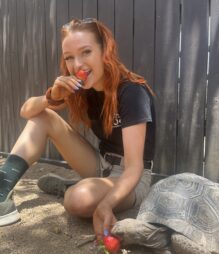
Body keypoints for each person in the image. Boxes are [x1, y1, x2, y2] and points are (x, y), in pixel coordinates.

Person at [0, 18, 155, 240]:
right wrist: (51, 96)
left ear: (105, 50)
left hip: (132, 178)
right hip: (101, 165)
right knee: (43, 117)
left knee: (77, 199)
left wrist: (106, 204)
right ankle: (1, 188)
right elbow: (26, 111)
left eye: (86, 52)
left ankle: (73, 188)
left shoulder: (132, 92)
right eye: (69, 58)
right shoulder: (82, 88)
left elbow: (133, 168)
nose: (78, 64)